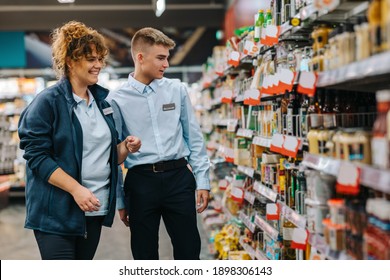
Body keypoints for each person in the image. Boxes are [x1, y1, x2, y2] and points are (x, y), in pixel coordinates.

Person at [17, 21, 141, 260]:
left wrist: (125, 147)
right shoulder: (48, 102)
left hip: (93, 208)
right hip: (56, 213)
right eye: (91, 59)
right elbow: (37, 157)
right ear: (71, 61)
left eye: (100, 59)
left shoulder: (103, 103)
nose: (98, 66)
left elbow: (105, 157)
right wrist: (76, 189)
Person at [107, 27, 210, 260]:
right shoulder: (116, 99)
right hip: (141, 183)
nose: (167, 64)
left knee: (189, 251)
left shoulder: (177, 90)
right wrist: (120, 200)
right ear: (140, 58)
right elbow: (114, 154)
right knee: (144, 254)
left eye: (167, 58)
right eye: (161, 58)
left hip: (179, 179)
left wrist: (203, 180)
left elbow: (193, 137)